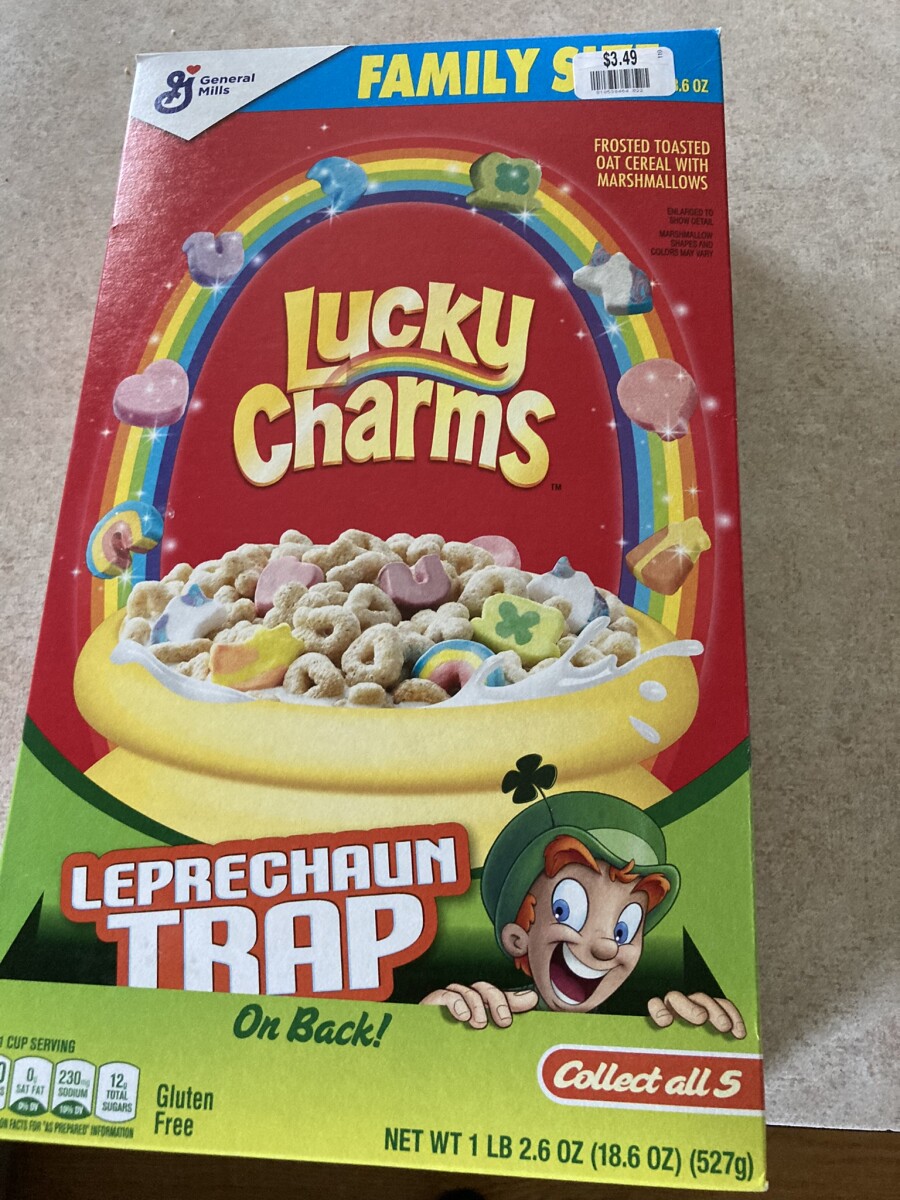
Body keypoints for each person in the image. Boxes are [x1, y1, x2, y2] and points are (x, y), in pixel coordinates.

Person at [422, 784, 745, 1038]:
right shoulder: (492, 1016)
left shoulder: (643, 1022)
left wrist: (699, 1037)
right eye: (567, 910)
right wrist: (428, 1024)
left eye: (624, 930)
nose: (606, 947)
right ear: (517, 937)